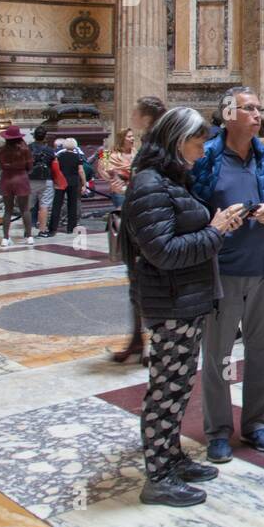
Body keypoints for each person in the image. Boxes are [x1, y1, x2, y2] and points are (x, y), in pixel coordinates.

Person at [123, 107, 243, 506]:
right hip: (171, 301)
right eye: (198, 140)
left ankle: (171, 458)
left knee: (177, 387)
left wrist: (215, 227)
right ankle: (157, 477)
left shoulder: (170, 181)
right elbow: (163, 252)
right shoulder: (149, 185)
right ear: (177, 140)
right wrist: (215, 231)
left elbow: (181, 235)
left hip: (186, 299)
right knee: (164, 390)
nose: (204, 148)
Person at [190, 86, 264, 463]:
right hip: (221, 272)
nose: (258, 114)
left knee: (261, 352)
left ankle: (256, 423)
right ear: (228, 115)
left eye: (259, 108)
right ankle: (218, 430)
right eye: (249, 108)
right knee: (218, 355)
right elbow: (191, 210)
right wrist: (216, 222)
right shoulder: (206, 159)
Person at [111, 95, 166, 366]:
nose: (131, 116)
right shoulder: (149, 142)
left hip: (147, 223)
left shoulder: (158, 144)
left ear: (145, 117)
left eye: (135, 111)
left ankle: (149, 343)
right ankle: (136, 339)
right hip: (137, 221)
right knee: (136, 284)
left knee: (146, 285)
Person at [0, 126, 33, 248]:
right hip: (21, 177)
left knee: (7, 210)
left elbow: (1, 165)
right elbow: (30, 166)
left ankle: (5, 238)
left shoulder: (1, 150)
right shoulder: (24, 150)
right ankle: (29, 237)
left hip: (6, 178)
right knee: (25, 209)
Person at [52, 138, 87, 235]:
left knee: (57, 205)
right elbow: (80, 170)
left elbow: (56, 168)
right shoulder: (77, 157)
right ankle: (71, 228)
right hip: (73, 182)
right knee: (72, 205)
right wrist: (84, 183)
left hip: (61, 181)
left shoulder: (59, 156)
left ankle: (53, 227)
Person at [26, 126, 56, 237]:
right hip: (46, 179)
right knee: (44, 206)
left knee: (27, 207)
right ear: (45, 137)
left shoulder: (28, 148)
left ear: (34, 136)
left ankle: (27, 231)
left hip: (31, 179)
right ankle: (42, 230)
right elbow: (54, 165)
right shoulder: (50, 150)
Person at [98, 127, 136, 209]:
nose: (132, 138)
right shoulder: (107, 153)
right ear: (122, 139)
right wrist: (112, 178)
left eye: (132, 136)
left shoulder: (136, 152)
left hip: (135, 190)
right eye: (129, 137)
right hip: (119, 190)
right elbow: (101, 169)